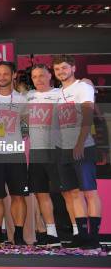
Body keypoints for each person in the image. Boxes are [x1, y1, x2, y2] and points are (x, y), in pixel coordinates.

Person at [52, 55, 102, 249]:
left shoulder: (83, 87)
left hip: (83, 146)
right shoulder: (58, 92)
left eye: (64, 68)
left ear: (73, 68)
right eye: (57, 69)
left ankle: (94, 236)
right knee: (73, 192)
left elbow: (88, 115)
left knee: (89, 191)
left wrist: (80, 143)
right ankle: (81, 234)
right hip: (63, 149)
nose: (61, 72)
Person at [0, 61, 29, 245]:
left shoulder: (22, 100)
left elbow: (27, 127)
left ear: (13, 75)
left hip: (15, 154)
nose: (2, 77)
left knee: (18, 196)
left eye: (6, 73)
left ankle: (19, 235)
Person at [26, 64, 62, 247]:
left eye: (42, 75)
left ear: (50, 76)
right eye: (34, 76)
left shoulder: (60, 94)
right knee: (41, 193)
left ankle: (73, 232)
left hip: (56, 151)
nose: (38, 79)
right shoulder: (28, 96)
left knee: (65, 193)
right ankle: (52, 234)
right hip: (36, 152)